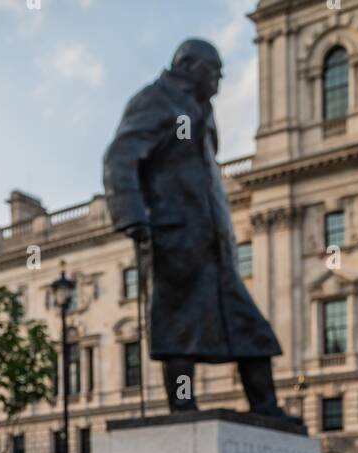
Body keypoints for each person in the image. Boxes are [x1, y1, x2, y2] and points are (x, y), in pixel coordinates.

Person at [103, 38, 294, 421]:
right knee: (178, 327)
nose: (220, 81)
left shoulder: (199, 111)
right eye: (215, 71)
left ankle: (266, 406)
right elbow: (120, 157)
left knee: (249, 327)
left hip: (212, 242)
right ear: (190, 66)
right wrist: (133, 216)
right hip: (172, 234)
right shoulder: (157, 100)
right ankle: (183, 405)